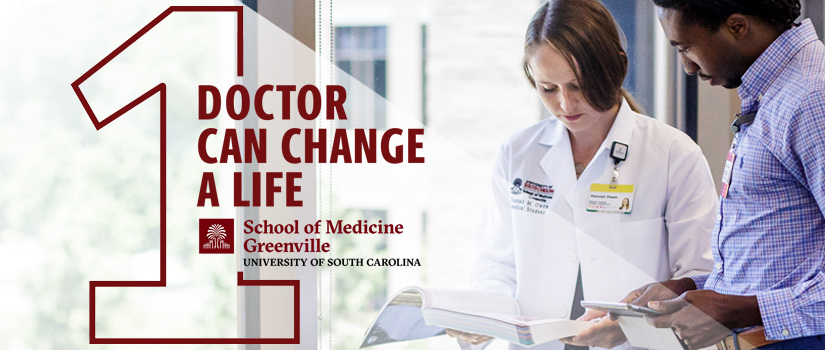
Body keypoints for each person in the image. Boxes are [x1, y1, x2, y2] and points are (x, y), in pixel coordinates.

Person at [456, 0, 719, 349]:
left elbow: (701, 281)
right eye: (548, 88)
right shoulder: (517, 154)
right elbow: (496, 266)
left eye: (577, 85)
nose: (565, 104)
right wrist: (484, 318)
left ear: (615, 69)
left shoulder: (674, 155)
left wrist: (627, 326)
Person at [618, 0, 825, 349]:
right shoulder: (776, 94)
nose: (685, 67)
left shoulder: (812, 97)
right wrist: (697, 289)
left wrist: (743, 310)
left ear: (737, 27)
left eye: (685, 47)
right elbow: (785, 259)